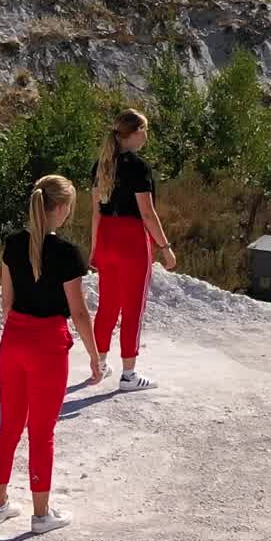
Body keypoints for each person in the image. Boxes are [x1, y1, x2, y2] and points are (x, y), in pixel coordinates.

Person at [0, 174, 102, 533]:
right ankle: (41, 514)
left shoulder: (12, 243)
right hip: (47, 346)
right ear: (61, 208)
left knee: (8, 425)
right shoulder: (67, 253)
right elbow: (80, 313)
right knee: (42, 431)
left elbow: (6, 303)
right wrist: (95, 355)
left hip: (13, 340)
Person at [90, 109, 177, 391]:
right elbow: (147, 214)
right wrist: (165, 247)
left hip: (106, 238)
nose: (147, 136)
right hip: (131, 240)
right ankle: (129, 375)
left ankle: (100, 364)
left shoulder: (101, 165)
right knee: (132, 308)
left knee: (107, 306)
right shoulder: (139, 167)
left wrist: (93, 249)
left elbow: (95, 214)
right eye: (145, 130)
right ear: (136, 132)